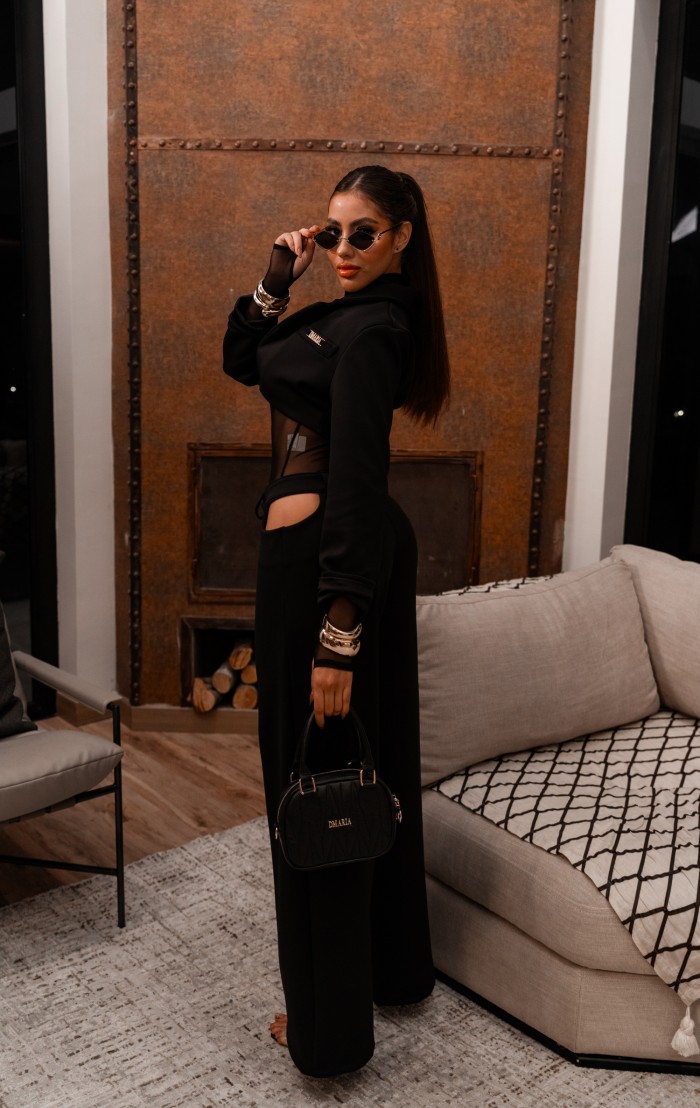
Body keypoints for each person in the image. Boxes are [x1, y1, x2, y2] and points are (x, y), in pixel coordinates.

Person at [223, 164, 450, 1078]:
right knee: (369, 760)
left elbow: (358, 471)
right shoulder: (336, 314)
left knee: (313, 783)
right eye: (333, 232)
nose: (344, 248)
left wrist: (338, 632)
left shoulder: (377, 329)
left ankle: (326, 1033)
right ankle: (393, 971)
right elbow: (244, 359)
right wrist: (279, 279)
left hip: (327, 566)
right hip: (334, 556)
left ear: (401, 237)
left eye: (363, 233)